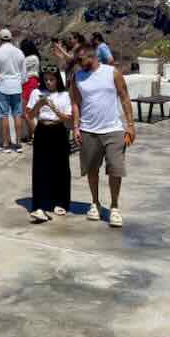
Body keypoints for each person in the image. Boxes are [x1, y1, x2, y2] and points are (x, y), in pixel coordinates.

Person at [70, 43, 136, 228]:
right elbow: (75, 102)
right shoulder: (77, 77)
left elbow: (124, 97)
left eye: (80, 59)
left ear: (92, 56)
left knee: (115, 170)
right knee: (92, 169)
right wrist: (76, 127)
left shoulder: (112, 73)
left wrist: (130, 125)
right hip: (89, 130)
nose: (78, 63)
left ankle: (114, 207)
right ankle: (95, 203)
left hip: (113, 129)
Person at [26, 66, 72, 223]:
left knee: (60, 166)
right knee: (40, 166)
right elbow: (30, 115)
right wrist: (39, 104)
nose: (49, 83)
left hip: (58, 129)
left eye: (52, 80)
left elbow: (67, 117)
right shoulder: (36, 93)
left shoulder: (64, 95)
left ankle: (61, 200)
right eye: (46, 80)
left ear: (57, 79)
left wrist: (54, 108)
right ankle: (38, 204)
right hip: (42, 130)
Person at [0, 29, 27, 152]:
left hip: (3, 87)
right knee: (17, 114)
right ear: (11, 39)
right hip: (17, 87)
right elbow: (24, 75)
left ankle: (6, 144)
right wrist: (18, 82)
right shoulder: (19, 53)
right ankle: (18, 143)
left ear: (0, 39)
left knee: (4, 115)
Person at [19, 39, 41, 144]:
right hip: (30, 84)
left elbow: (19, 68)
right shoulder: (35, 58)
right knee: (27, 112)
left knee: (27, 113)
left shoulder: (30, 59)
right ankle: (30, 135)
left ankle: (36, 136)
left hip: (28, 84)